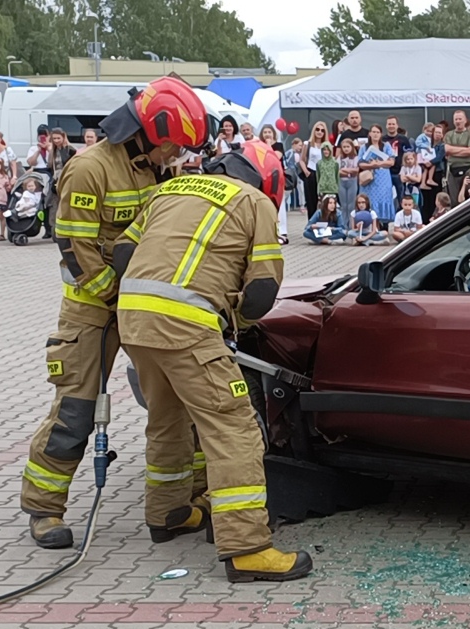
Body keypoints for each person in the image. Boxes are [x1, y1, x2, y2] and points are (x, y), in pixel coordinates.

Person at [20, 77, 210, 550]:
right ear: (147, 130)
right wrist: (116, 297)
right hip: (94, 311)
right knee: (76, 410)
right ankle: (44, 507)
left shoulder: (159, 170)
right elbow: (75, 246)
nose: (177, 155)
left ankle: (193, 498)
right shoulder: (90, 169)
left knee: (180, 403)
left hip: (148, 308)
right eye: (174, 145)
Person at [111, 140, 311, 583]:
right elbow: (261, 294)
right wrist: (230, 311)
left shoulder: (171, 190)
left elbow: (123, 253)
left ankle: (169, 514)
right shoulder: (253, 202)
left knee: (167, 418)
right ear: (268, 181)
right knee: (233, 428)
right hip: (186, 326)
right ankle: (247, 548)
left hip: (133, 319)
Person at [357, 124, 396, 227]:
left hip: (383, 177)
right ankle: (369, 225)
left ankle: (383, 226)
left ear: (381, 134)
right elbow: (360, 163)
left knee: (383, 199)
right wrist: (371, 165)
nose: (375, 134)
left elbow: (391, 162)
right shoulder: (364, 147)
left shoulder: (386, 146)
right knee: (369, 200)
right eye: (373, 132)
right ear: (369, 133)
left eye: (377, 132)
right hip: (369, 178)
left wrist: (379, 164)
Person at [45, 127, 78, 239]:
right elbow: (50, 166)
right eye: (54, 138)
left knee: (66, 204)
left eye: (58, 138)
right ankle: (54, 229)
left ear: (63, 137)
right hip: (56, 180)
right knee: (53, 204)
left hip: (67, 179)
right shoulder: (53, 151)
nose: (56, 140)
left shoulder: (70, 149)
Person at [443, 111, 470, 206]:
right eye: (456, 119)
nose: (458, 121)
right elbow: (447, 149)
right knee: (455, 201)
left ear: (465, 120)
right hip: (453, 169)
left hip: (468, 168)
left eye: (460, 119)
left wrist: (454, 150)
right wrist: (464, 150)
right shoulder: (449, 134)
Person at [383, 115, 412, 211]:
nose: (391, 126)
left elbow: (410, 155)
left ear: (397, 125)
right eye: (389, 124)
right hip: (385, 173)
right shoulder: (382, 140)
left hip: (400, 173)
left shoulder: (404, 139)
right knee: (386, 197)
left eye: (393, 124)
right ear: (386, 126)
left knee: (401, 197)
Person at [419, 126, 447, 223]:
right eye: (436, 132)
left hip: (436, 173)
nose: (438, 134)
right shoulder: (427, 144)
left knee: (434, 197)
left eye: (440, 133)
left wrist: (430, 162)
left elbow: (439, 157)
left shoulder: (442, 146)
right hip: (425, 172)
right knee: (425, 198)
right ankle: (424, 220)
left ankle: (433, 219)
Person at [337, 138, 360, 221]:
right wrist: (349, 172)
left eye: (348, 146)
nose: (346, 148)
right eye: (344, 147)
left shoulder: (355, 158)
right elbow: (337, 171)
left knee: (351, 204)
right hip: (342, 182)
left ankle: (351, 223)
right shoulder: (340, 158)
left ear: (352, 147)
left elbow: (356, 170)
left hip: (352, 182)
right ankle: (344, 223)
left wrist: (345, 170)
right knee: (344, 205)